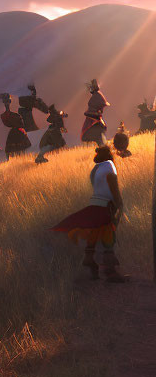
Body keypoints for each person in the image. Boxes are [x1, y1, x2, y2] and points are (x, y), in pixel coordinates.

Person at [51, 146, 126, 282]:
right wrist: (119, 203)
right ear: (109, 156)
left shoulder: (96, 169)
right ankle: (111, 272)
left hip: (95, 204)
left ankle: (90, 264)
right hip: (105, 207)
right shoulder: (110, 165)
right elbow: (113, 185)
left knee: (94, 233)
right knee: (108, 236)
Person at [0, 93, 31, 158]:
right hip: (15, 131)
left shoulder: (15, 115)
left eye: (8, 101)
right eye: (6, 102)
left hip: (17, 131)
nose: (7, 104)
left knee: (18, 149)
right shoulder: (8, 115)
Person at [81, 79, 109, 144]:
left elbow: (99, 106)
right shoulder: (96, 95)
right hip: (93, 120)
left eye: (91, 88)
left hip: (94, 121)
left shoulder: (97, 95)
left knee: (98, 136)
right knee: (98, 137)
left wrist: (91, 113)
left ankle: (104, 148)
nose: (89, 89)